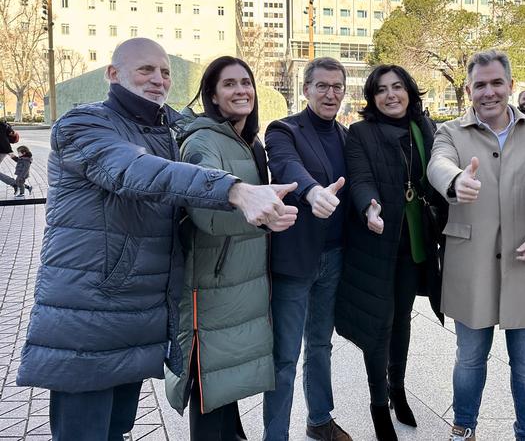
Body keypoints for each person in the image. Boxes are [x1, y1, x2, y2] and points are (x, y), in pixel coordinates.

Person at [15, 38, 298, 441]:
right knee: (85, 431)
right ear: (113, 74)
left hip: (136, 309)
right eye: (145, 70)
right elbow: (135, 171)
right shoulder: (83, 124)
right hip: (90, 308)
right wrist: (235, 190)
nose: (158, 80)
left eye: (164, 71)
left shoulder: (161, 130)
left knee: (117, 429)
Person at [427, 49, 525, 441]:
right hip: (470, 264)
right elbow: (437, 164)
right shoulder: (450, 132)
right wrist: (455, 181)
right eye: (479, 85)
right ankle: (464, 426)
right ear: (469, 89)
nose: (488, 92)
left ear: (509, 85)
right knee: (470, 358)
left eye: (496, 83)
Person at [164, 56, 294, 439]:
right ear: (213, 96)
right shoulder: (202, 141)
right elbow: (206, 213)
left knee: (227, 382)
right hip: (212, 285)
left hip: (241, 281)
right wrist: (264, 214)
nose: (241, 91)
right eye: (230, 84)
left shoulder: (247, 140)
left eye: (246, 82)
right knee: (210, 386)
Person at [335, 64, 447, 441]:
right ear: (372, 98)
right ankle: (378, 404)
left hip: (414, 243)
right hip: (376, 241)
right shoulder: (361, 132)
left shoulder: (424, 128)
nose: (390, 95)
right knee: (378, 324)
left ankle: (397, 388)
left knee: (402, 320)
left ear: (410, 91)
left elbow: (438, 176)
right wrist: (369, 206)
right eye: (381, 90)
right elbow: (360, 177)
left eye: (397, 87)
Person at [263, 57, 352, 441]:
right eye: (322, 86)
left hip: (333, 257)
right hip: (295, 260)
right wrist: (312, 191)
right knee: (285, 356)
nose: (330, 94)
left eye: (337, 87)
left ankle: (319, 420)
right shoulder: (284, 129)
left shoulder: (348, 135)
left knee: (320, 344)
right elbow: (285, 165)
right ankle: (276, 435)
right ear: (306, 89)